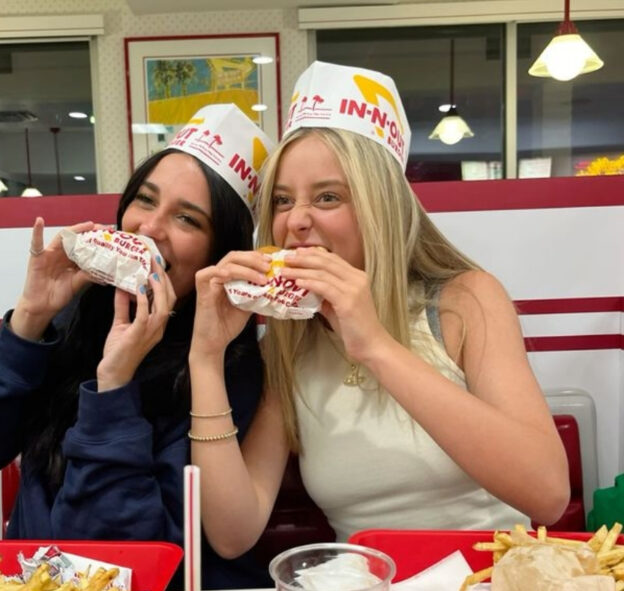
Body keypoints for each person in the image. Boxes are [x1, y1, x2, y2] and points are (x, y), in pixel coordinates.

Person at [188, 61, 570, 558]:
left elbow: (548, 494)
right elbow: (232, 533)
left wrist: (375, 345)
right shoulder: (289, 343)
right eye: (282, 200)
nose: (296, 220)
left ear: (380, 207)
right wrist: (205, 358)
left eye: (328, 197)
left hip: (492, 582)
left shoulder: (467, 301)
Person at [0, 104, 275, 589]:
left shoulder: (227, 367)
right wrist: (29, 319)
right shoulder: (78, 315)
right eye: (145, 200)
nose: (149, 228)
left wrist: (114, 386)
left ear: (219, 251)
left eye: (186, 219)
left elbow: (120, 561)